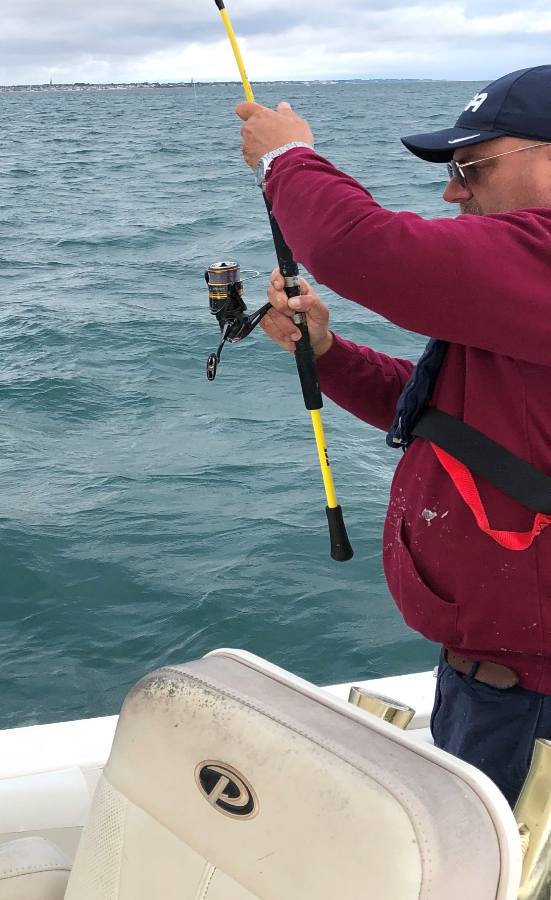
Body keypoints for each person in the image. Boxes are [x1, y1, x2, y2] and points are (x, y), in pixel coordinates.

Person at [236, 67, 551, 804]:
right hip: (496, 685)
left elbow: (362, 250)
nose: (453, 192)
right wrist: (327, 354)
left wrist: (286, 159)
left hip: (533, 701)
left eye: (471, 168)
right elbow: (449, 420)